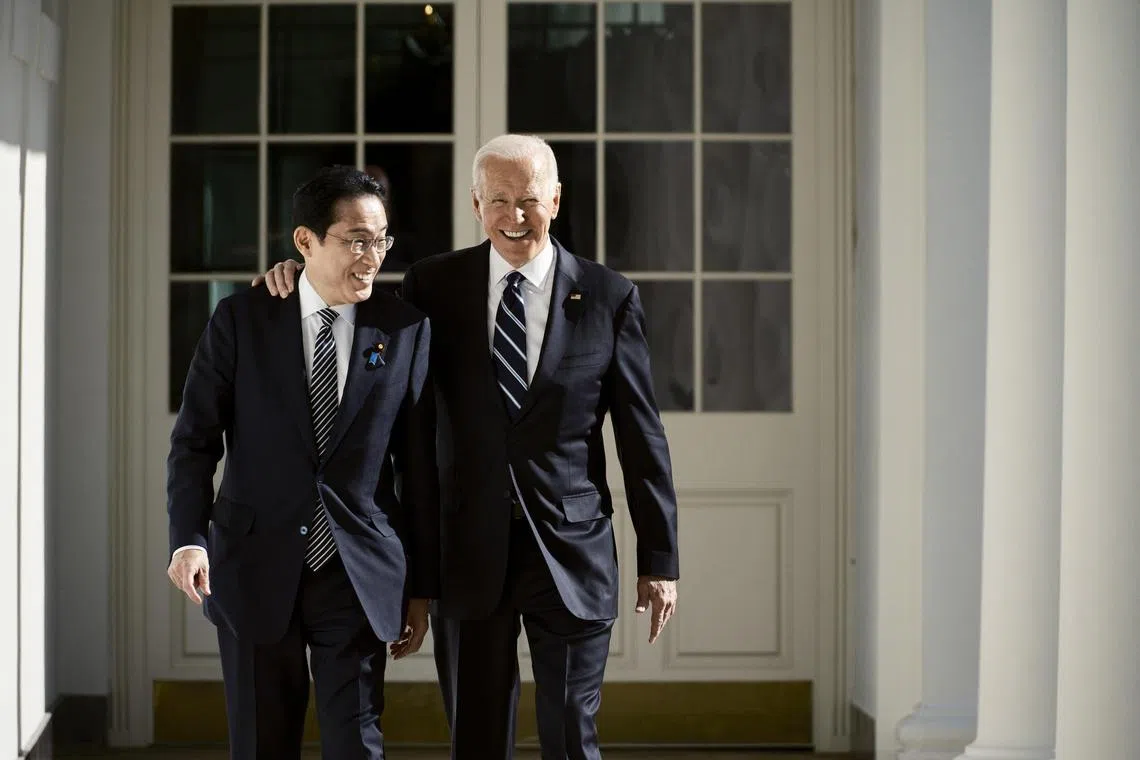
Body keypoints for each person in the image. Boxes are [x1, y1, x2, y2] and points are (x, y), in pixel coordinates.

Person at [257, 134, 680, 760]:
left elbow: (643, 437)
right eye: (499, 201)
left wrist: (660, 559)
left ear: (556, 201)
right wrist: (301, 275)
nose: (515, 217)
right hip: (467, 555)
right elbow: (359, 318)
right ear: (476, 204)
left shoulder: (609, 297)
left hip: (570, 551)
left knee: (571, 733)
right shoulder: (433, 285)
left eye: (530, 201)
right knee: (477, 739)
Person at [167, 165, 439, 760]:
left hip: (357, 575)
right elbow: (194, 441)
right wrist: (188, 539)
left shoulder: (405, 329)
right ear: (305, 242)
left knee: (356, 746)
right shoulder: (241, 322)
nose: (373, 257)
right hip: (252, 568)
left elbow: (418, 471)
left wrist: (420, 589)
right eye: (356, 240)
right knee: (262, 745)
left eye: (382, 240)